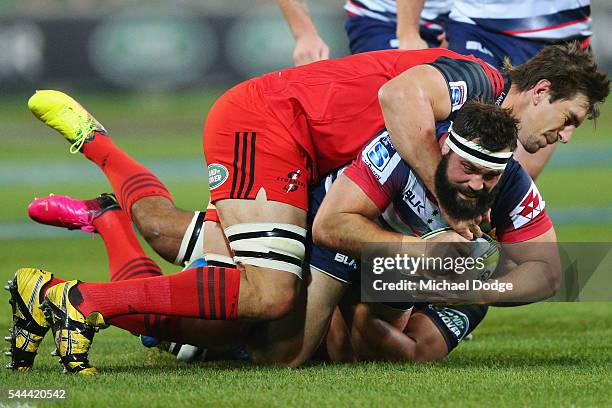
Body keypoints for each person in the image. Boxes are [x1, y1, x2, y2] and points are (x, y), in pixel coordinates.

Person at [21, 44, 606, 371]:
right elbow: (396, 95)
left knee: (165, 232)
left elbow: (554, 271)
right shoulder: (475, 81)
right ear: (542, 91)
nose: (565, 135)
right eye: (570, 120)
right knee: (268, 293)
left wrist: (463, 279)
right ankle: (80, 295)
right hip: (274, 125)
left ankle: (105, 208)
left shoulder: (488, 152)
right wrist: (443, 219)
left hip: (310, 167)